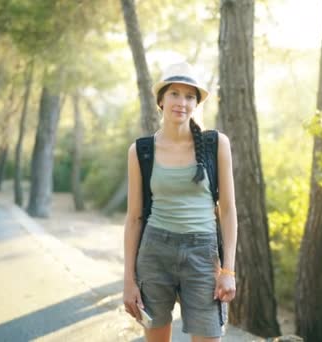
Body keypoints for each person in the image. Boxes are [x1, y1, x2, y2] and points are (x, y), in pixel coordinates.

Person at [123, 61, 238, 342]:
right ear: (161, 100)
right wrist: (128, 279)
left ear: (196, 103)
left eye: (189, 96)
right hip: (154, 253)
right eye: (174, 93)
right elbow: (134, 218)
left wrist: (228, 270)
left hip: (202, 254)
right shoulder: (141, 151)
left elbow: (228, 211)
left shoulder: (215, 144)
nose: (182, 102)